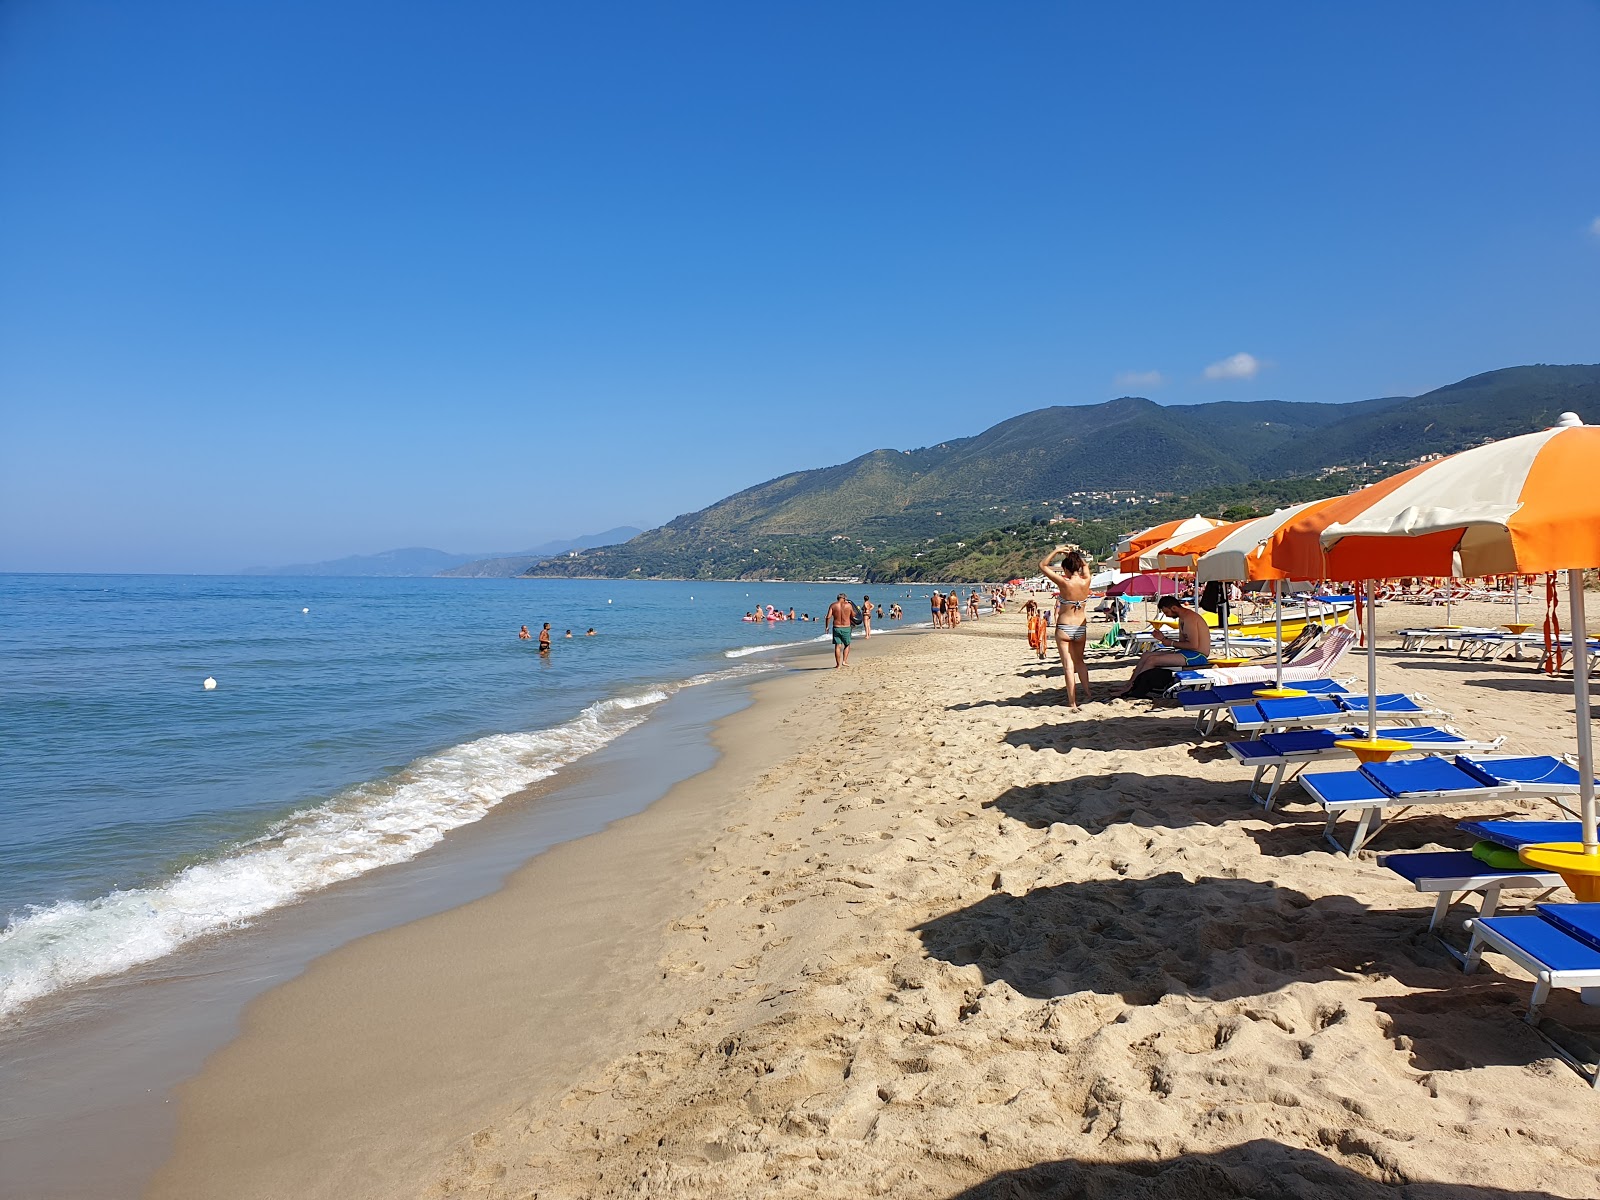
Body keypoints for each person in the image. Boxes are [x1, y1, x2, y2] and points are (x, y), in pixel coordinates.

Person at [1111, 595, 1212, 697]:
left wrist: (1169, 642)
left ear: (1174, 608)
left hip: (1198, 656)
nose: (1167, 616)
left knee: (1152, 660)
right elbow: (1182, 643)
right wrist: (1163, 639)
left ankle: (1133, 688)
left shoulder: (1190, 618)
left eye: (1167, 612)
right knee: (1146, 655)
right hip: (1188, 653)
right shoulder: (1183, 618)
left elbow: (1193, 645)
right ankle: (1128, 685)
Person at [1039, 546, 1093, 708]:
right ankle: (1088, 694)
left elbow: (1043, 565)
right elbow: (1085, 566)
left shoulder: (1064, 583)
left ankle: (1072, 702)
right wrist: (1073, 556)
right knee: (1080, 662)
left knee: (1068, 666)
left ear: (1066, 569)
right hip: (1080, 627)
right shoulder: (1087, 581)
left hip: (1064, 627)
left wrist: (1056, 551)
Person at [826, 592, 856, 667]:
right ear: (845, 598)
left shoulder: (833, 605)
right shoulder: (849, 605)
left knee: (837, 646)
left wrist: (827, 626)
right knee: (847, 644)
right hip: (846, 627)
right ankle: (844, 661)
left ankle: (838, 665)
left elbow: (828, 617)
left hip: (837, 627)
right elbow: (853, 615)